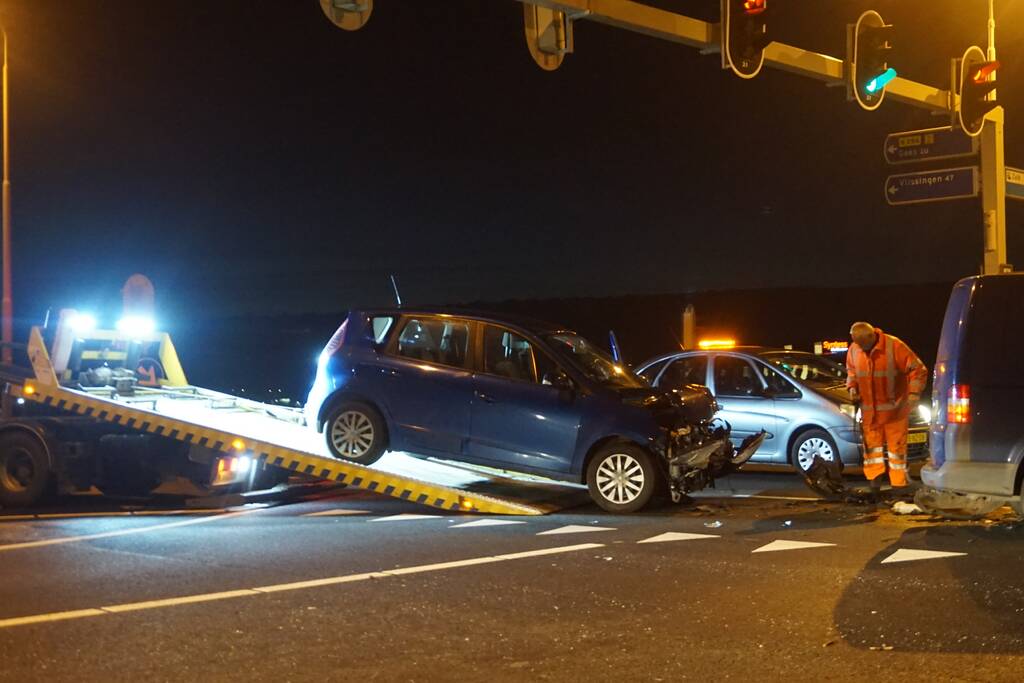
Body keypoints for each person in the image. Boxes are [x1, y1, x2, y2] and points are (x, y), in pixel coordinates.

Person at [846, 322, 928, 500]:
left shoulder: (894, 346)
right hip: (870, 414)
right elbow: (851, 372)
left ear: (871, 336)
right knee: (872, 454)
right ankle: (874, 484)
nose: (859, 346)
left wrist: (914, 393)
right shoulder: (854, 349)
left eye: (861, 343)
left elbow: (918, 370)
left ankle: (898, 486)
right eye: (856, 342)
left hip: (894, 412)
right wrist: (852, 387)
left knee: (896, 452)